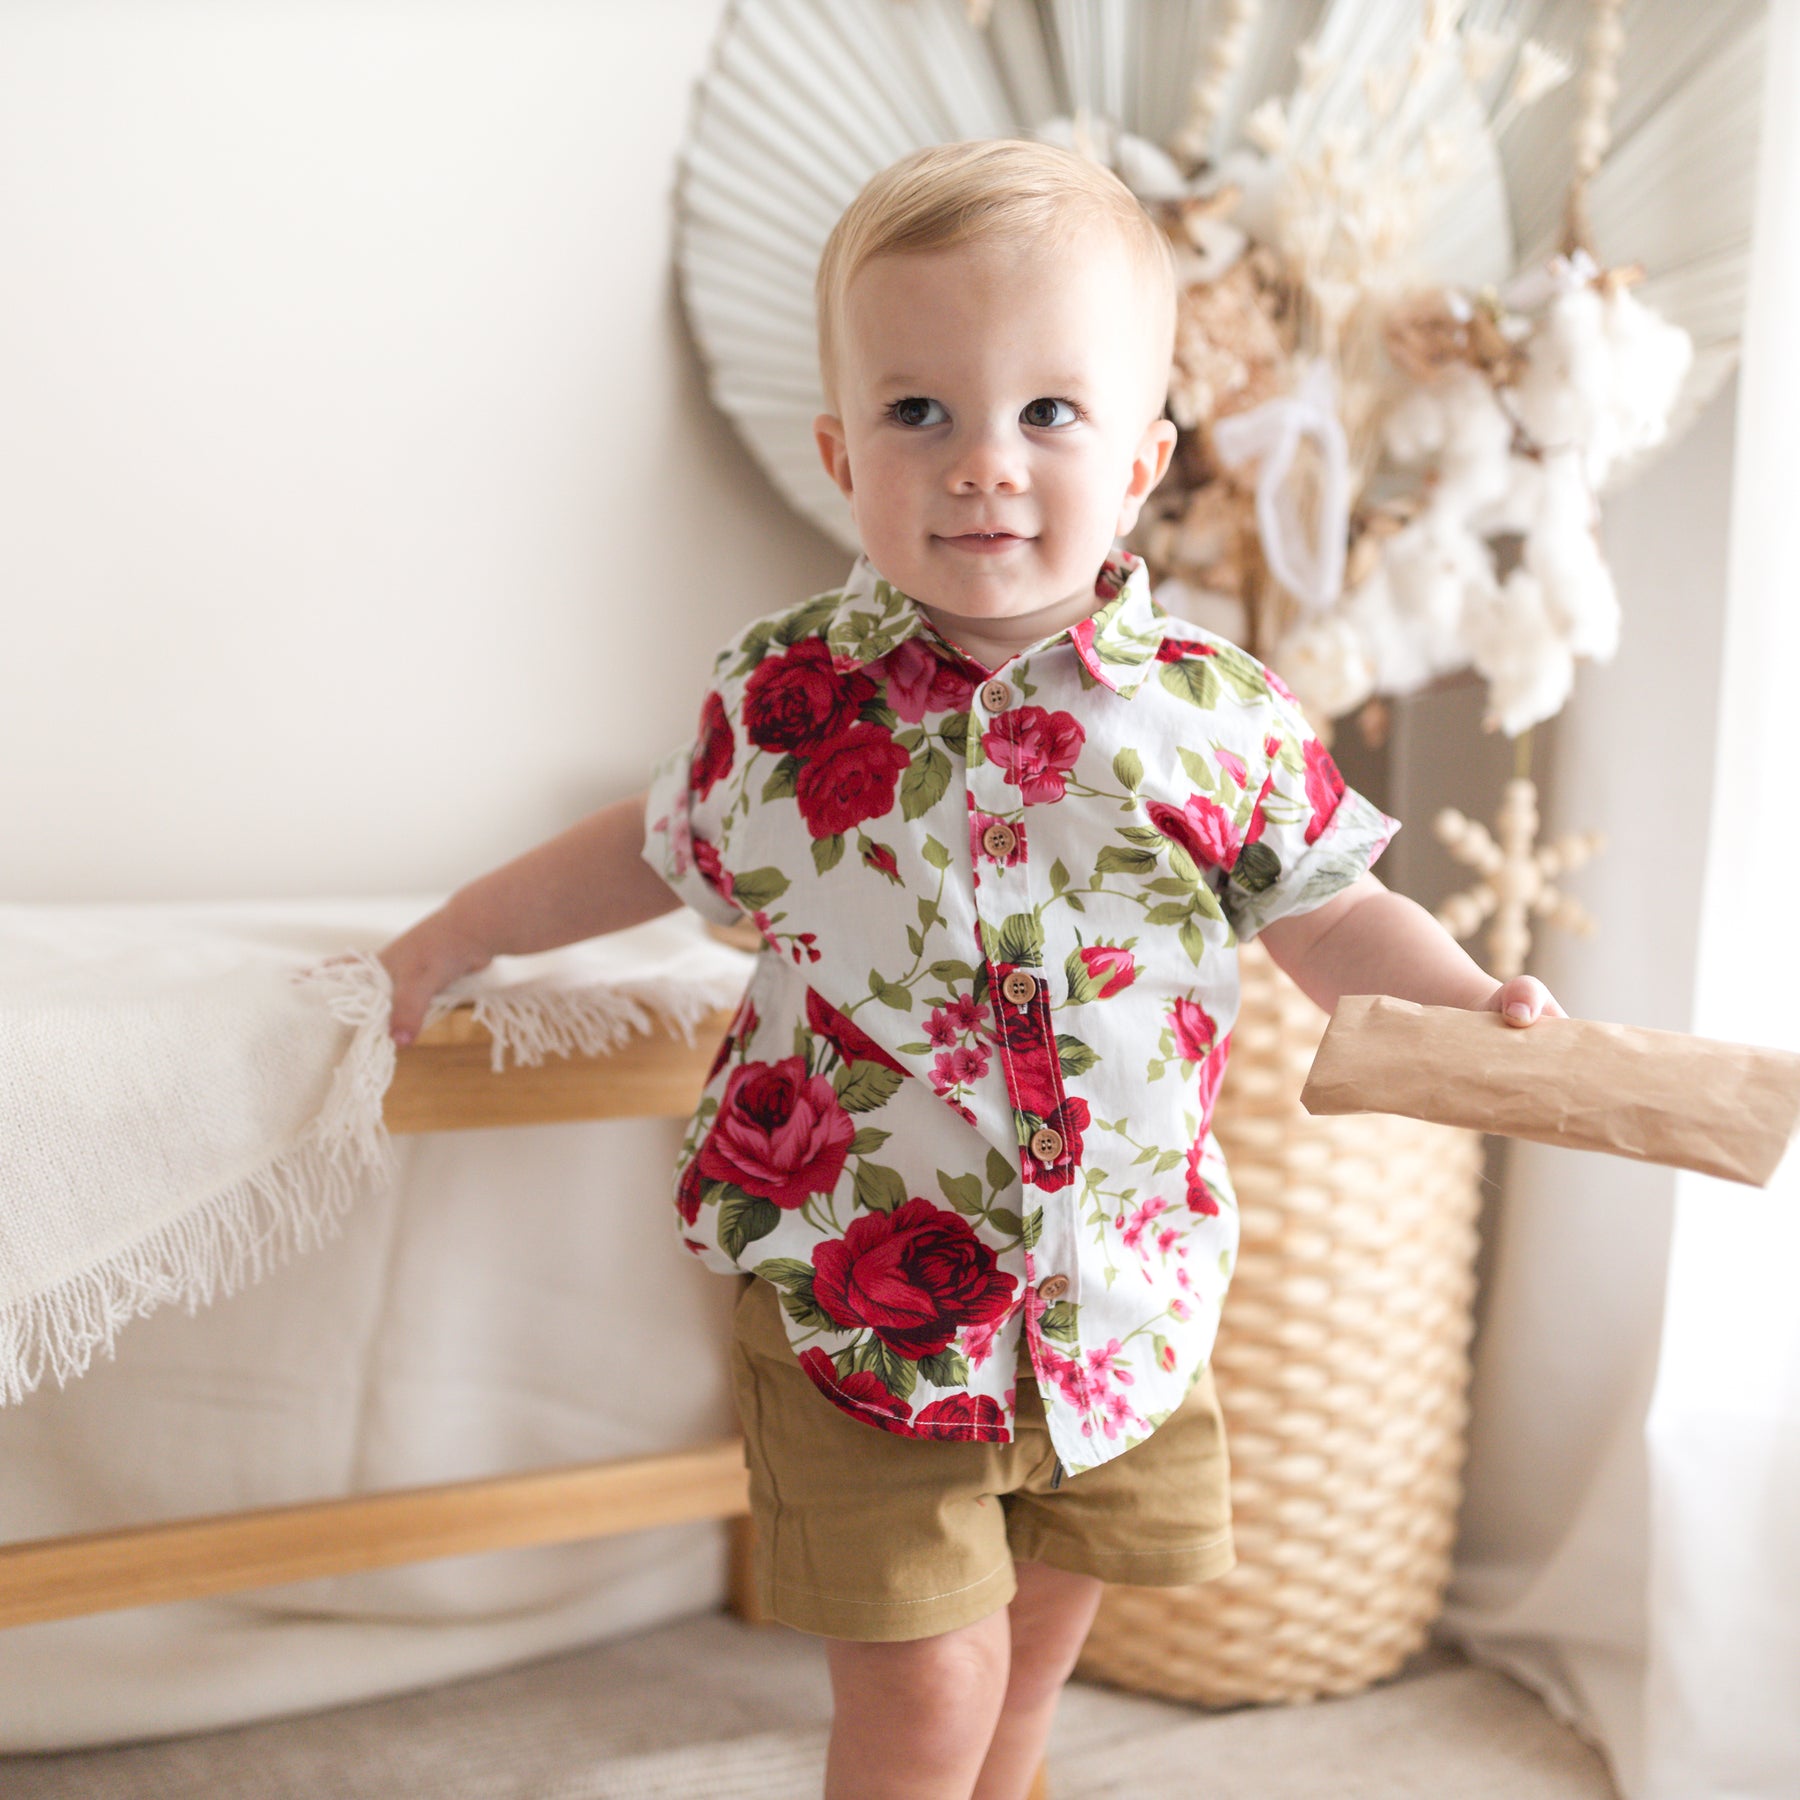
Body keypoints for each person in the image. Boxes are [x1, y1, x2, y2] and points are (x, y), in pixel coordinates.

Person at [379, 139, 1563, 1800]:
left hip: (1112, 1302)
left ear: (1142, 460)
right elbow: (650, 844)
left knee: (1025, 1677)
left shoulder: (1212, 718)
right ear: (840, 452)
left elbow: (1333, 911)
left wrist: (1469, 1001)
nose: (982, 466)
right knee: (928, 1694)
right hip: (862, 1303)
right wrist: (453, 936)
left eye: (1048, 414)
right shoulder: (789, 702)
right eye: (919, 412)